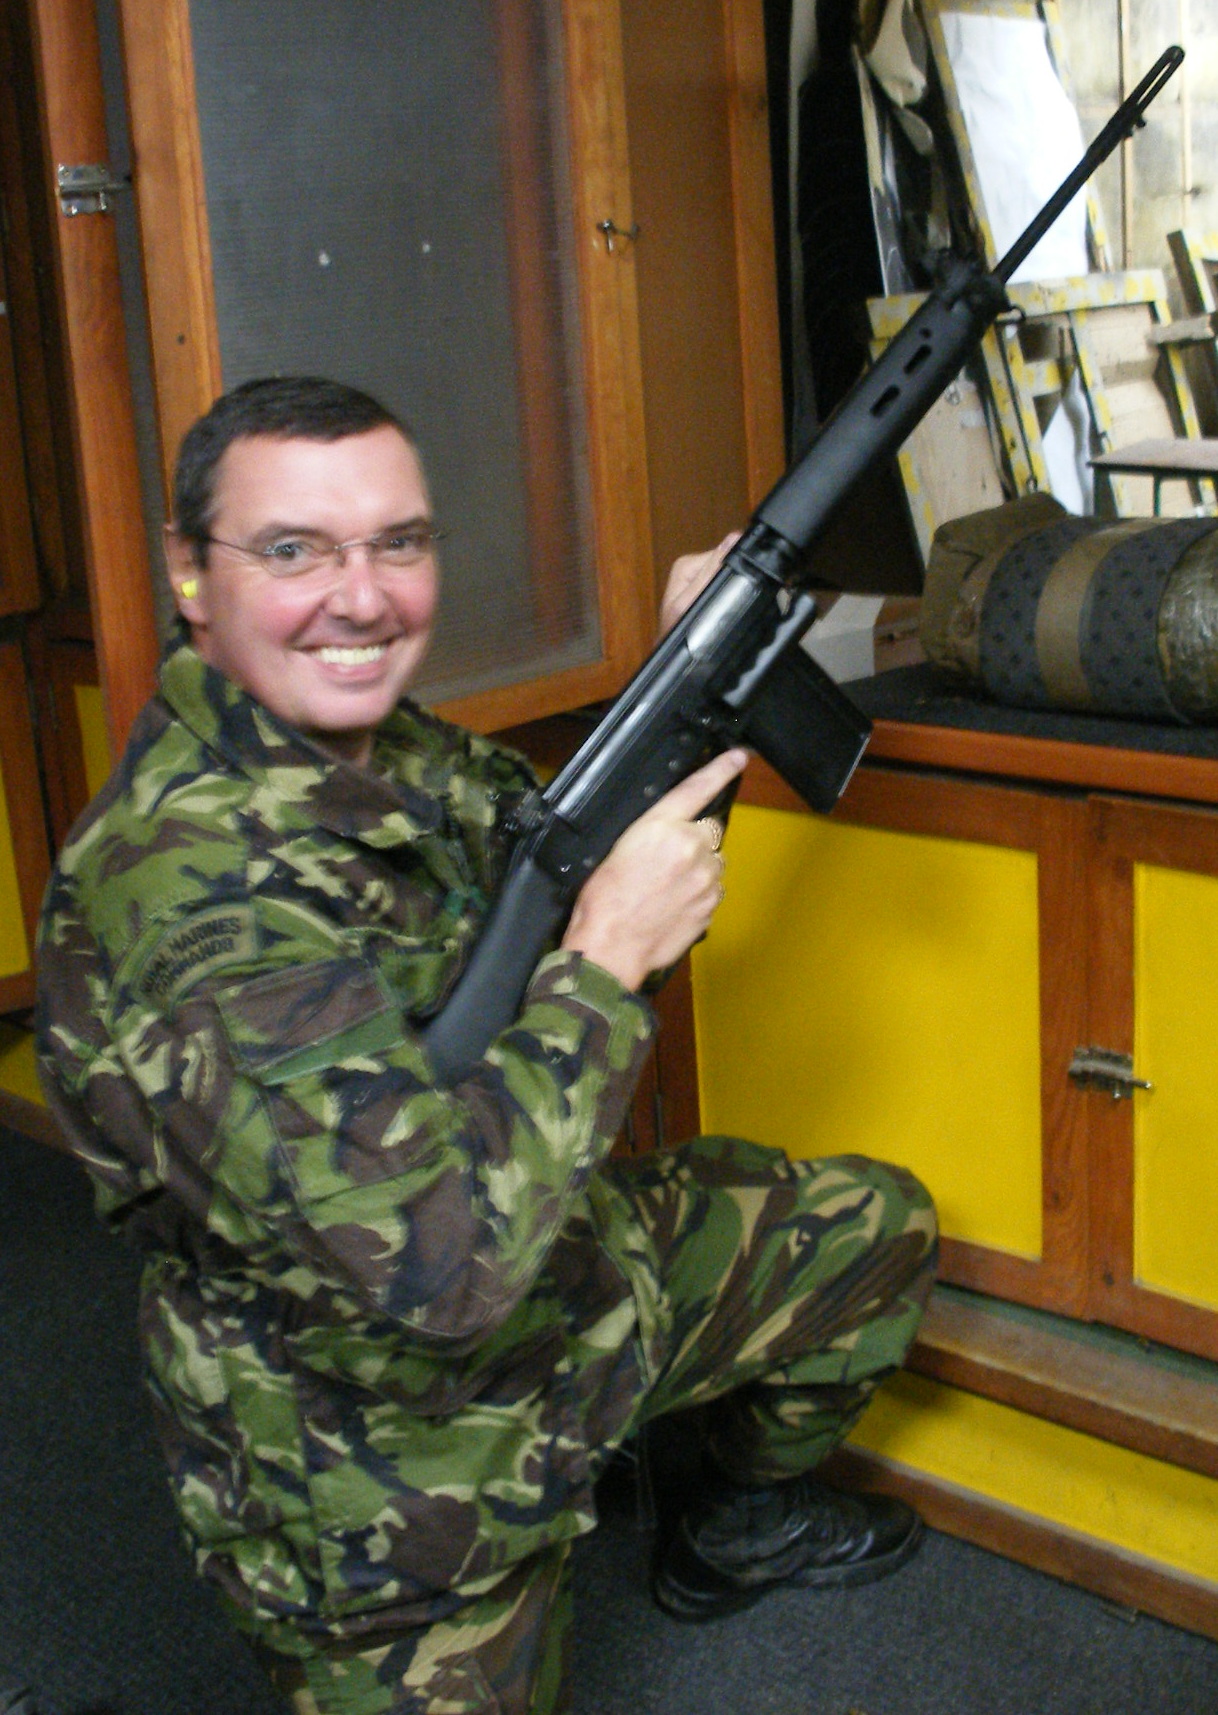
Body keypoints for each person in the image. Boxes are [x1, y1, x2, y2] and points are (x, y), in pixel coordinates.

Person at [36, 376, 937, 1715]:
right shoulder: (192, 897)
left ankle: (730, 1524)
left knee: (876, 1228)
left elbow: (563, 885)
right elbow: (436, 1268)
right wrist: (603, 966)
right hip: (383, 1467)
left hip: (560, 1272)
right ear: (190, 574)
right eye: (293, 550)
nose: (361, 597)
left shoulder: (388, 754)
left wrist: (682, 679)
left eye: (397, 543)